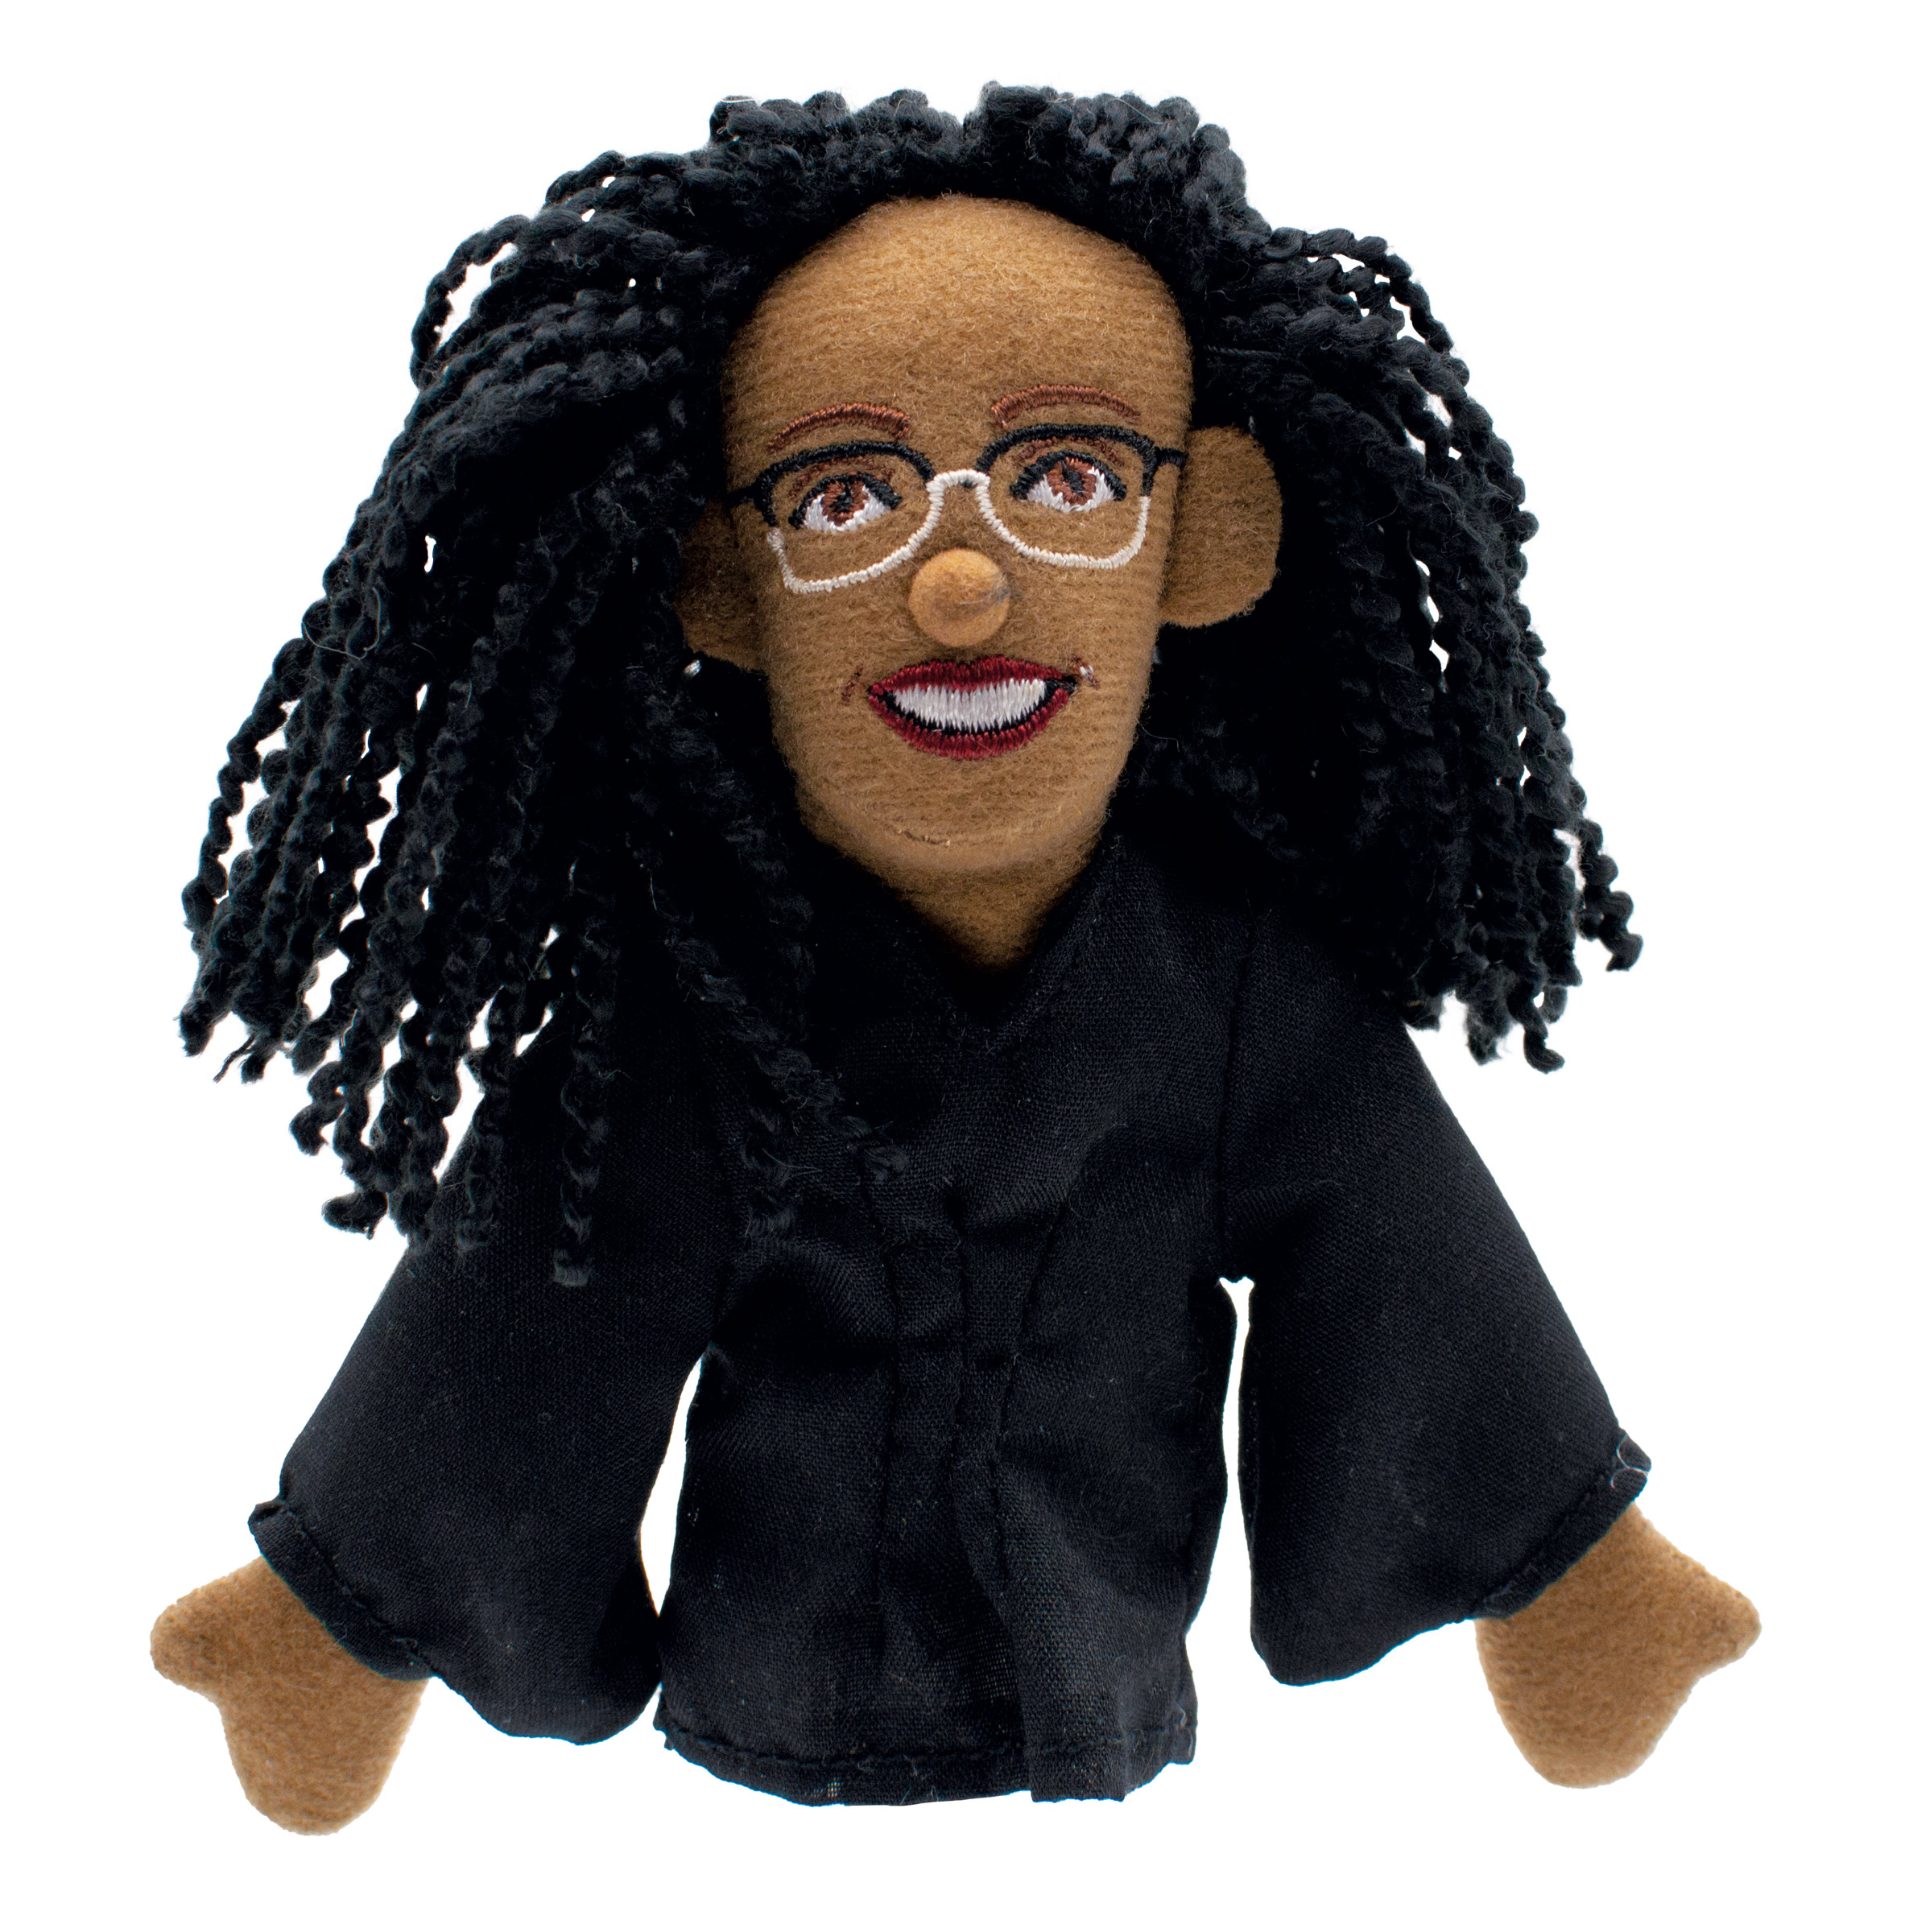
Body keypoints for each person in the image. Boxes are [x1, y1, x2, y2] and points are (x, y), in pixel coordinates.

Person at [152, 86, 1758, 1833]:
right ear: (723, 584)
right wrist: (346, 1605)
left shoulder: (1229, 985)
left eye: (1068, 478)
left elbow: (1402, 1248)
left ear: (1204, 540)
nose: (961, 585)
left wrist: (1560, 1558)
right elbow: (533, 1308)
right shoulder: (705, 1000)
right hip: (777, 1670)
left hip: (1109, 1662)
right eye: (844, 499)